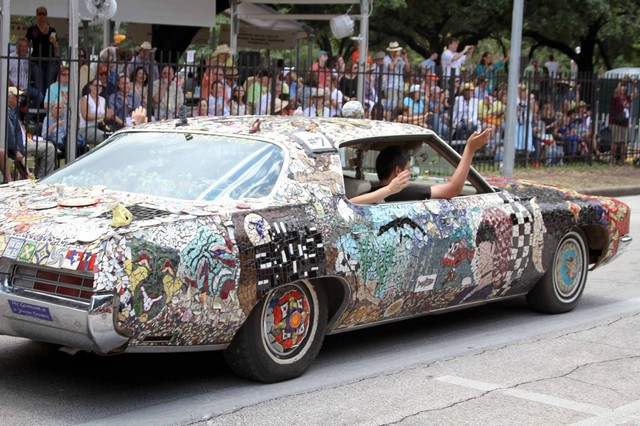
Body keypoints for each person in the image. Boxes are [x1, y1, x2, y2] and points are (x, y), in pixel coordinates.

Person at [350, 128, 492, 204]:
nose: (410, 175)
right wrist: (469, 150)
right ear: (398, 171)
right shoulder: (402, 193)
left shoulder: (368, 193)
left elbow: (350, 202)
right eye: (408, 170)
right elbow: (453, 188)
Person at [6, 87, 56, 178]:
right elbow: (10, 133)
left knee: (48, 144)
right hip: (19, 146)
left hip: (25, 142)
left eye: (21, 96)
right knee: (49, 148)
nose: (20, 99)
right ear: (8, 97)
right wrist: (16, 150)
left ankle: (39, 176)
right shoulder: (7, 112)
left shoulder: (13, 111)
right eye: (17, 96)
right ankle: (43, 178)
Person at [26, 6, 60, 102]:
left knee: (48, 88)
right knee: (39, 90)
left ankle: (46, 112)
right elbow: (25, 43)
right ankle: (38, 114)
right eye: (40, 13)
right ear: (37, 15)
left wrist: (54, 43)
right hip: (36, 61)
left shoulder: (52, 30)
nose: (42, 15)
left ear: (46, 15)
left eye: (44, 13)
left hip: (50, 61)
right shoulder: (32, 29)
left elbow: (57, 49)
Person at [609, 81, 638, 164]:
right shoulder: (616, 98)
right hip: (616, 122)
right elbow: (616, 91)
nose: (623, 89)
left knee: (623, 142)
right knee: (615, 141)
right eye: (622, 87)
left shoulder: (627, 98)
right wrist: (621, 81)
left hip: (624, 122)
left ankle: (622, 159)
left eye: (624, 87)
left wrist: (634, 85)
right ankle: (612, 158)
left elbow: (635, 94)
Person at [79, 78, 112, 146]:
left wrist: (108, 116)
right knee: (103, 136)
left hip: (100, 127)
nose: (98, 87)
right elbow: (85, 116)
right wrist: (101, 116)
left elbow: (106, 117)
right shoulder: (85, 99)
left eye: (100, 86)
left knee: (112, 136)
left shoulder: (103, 99)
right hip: (86, 128)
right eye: (96, 85)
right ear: (90, 86)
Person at [9, 38, 40, 107]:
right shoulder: (11, 57)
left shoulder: (28, 57)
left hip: (26, 88)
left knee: (40, 96)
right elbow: (5, 75)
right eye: (21, 46)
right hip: (14, 88)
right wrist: (13, 86)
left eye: (26, 46)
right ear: (17, 47)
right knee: (15, 107)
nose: (24, 48)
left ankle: (28, 115)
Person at [382, 41, 411, 111]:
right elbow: (391, 67)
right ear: (392, 51)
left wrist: (405, 58)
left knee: (399, 107)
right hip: (390, 86)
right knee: (392, 106)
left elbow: (408, 70)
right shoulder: (386, 59)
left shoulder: (400, 59)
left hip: (400, 86)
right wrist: (396, 57)